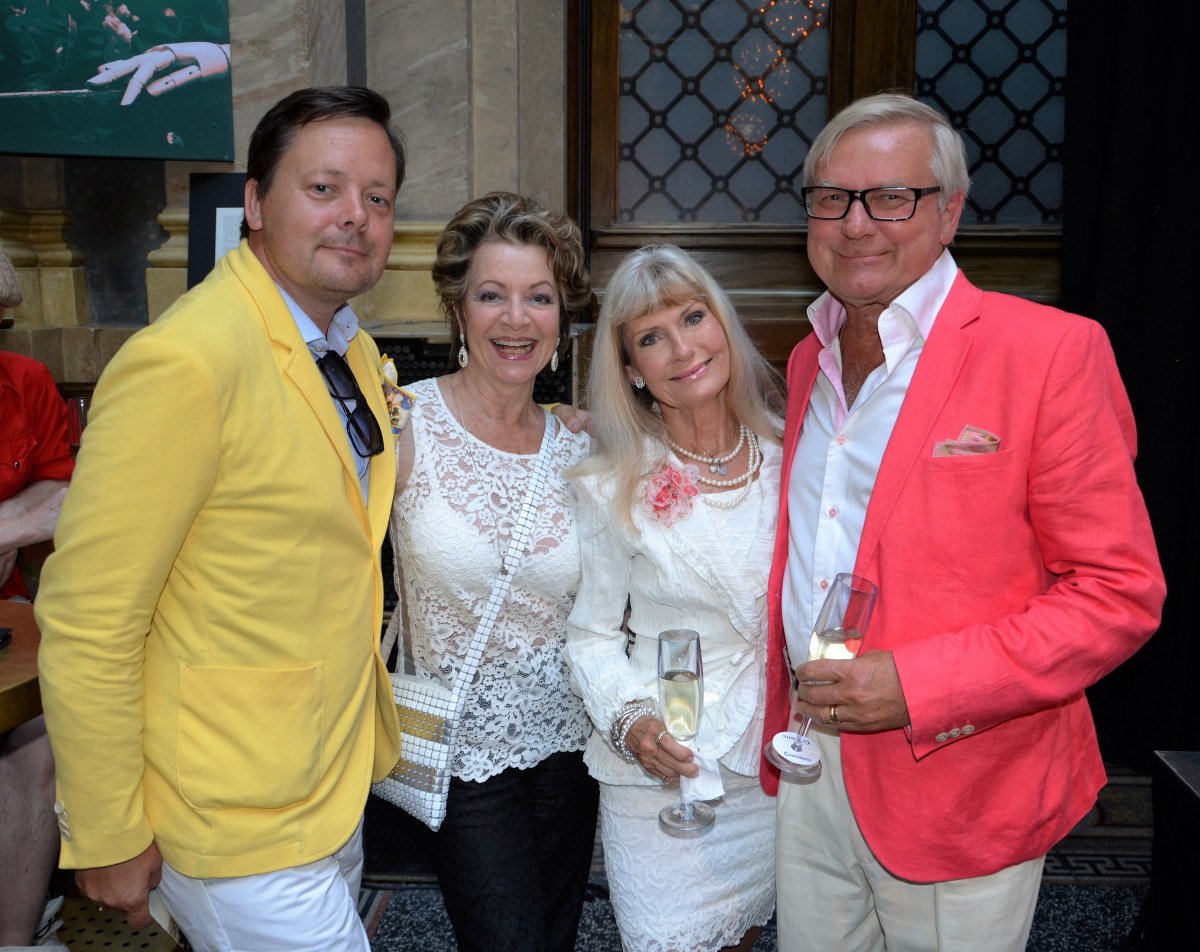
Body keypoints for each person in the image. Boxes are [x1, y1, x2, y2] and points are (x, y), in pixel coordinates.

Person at [763, 91, 1166, 951]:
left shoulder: (1050, 353)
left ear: (949, 212)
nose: (857, 224)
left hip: (959, 782)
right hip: (809, 765)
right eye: (833, 197)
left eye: (891, 197)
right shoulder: (806, 361)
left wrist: (919, 687)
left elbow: (1118, 594)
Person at [35, 85, 406, 950]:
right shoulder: (185, 361)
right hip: (230, 810)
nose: (355, 216)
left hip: (326, 780)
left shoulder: (347, 346)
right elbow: (90, 619)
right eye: (324, 188)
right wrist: (108, 831)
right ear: (255, 204)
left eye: (378, 197)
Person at [385, 191, 598, 951]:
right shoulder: (402, 424)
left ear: (561, 319)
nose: (516, 319)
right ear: (457, 309)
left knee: (555, 936)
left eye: (538, 297)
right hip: (458, 752)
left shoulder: (582, 449)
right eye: (491, 295)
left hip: (572, 747)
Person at [566, 244, 785, 952]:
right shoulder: (611, 482)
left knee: (747, 937)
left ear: (723, 324)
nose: (683, 348)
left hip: (773, 764)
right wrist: (630, 720)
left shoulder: (792, 457)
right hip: (662, 771)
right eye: (652, 337)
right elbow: (591, 634)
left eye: (693, 318)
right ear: (631, 370)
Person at [0, 246, 71, 949]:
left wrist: (10, 526)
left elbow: (64, 486)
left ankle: (14, 937)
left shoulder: (25, 381)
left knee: (43, 732)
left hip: (12, 618)